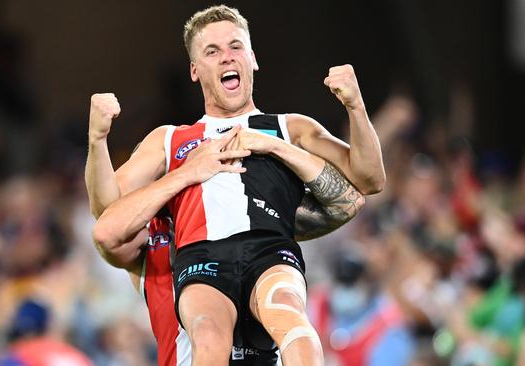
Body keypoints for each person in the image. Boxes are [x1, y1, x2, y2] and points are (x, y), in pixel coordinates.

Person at [88, 5, 384, 365]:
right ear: (195, 70)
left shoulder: (291, 127)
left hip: (268, 248)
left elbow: (370, 179)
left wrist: (355, 106)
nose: (227, 57)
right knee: (209, 337)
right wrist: (97, 140)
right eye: (212, 52)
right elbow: (109, 210)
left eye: (235, 46)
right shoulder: (170, 140)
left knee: (291, 319)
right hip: (202, 257)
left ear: (253, 58)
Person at [88, 135, 365, 366]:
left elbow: (352, 198)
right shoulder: (152, 252)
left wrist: (277, 146)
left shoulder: (252, 235)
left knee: (284, 309)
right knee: (209, 333)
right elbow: (106, 230)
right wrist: (185, 172)